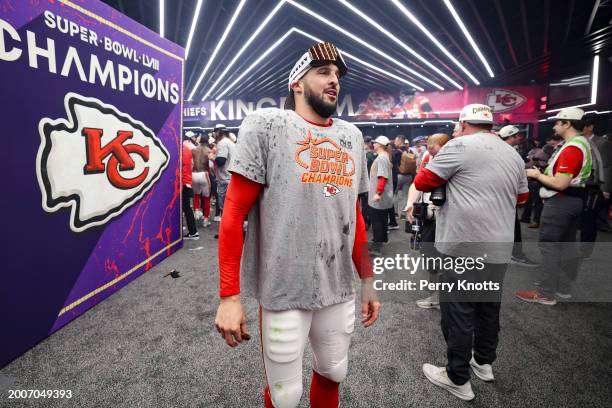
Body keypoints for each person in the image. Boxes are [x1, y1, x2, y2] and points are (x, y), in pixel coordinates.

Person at [214, 41, 380, 408]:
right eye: (323, 72)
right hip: (283, 287)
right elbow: (233, 215)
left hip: (337, 285)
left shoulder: (351, 137)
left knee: (334, 371)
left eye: (337, 74)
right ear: (296, 84)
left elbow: (356, 220)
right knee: (285, 395)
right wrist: (229, 296)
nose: (334, 80)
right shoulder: (268, 125)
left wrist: (367, 279)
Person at [414, 104, 529, 401]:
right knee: (489, 307)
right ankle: (483, 362)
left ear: (463, 123)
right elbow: (522, 198)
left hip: (464, 246)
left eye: (456, 126)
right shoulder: (512, 153)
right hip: (499, 246)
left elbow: (422, 181)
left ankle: (457, 377)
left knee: (459, 312)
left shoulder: (459, 146)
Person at [516, 107, 592, 304]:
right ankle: (562, 289)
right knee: (567, 247)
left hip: (561, 201)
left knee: (550, 247)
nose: (555, 126)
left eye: (558, 122)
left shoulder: (572, 147)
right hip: (574, 200)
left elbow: (560, 183)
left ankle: (545, 293)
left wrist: (537, 175)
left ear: (567, 124)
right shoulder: (581, 143)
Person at [403, 133, 450, 309]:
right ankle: (437, 295)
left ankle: (443, 297)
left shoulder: (454, 158)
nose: (430, 148)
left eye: (434, 145)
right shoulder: (428, 157)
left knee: (445, 259)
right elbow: (417, 183)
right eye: (428, 144)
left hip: (449, 218)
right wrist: (410, 204)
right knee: (429, 255)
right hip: (430, 216)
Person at [498, 125, 539, 267]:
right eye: (517, 136)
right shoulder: (508, 152)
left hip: (500, 193)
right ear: (512, 136)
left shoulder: (502, 150)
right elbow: (520, 171)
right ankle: (515, 254)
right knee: (511, 225)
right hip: (506, 194)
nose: (520, 138)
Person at [583, 117, 612, 232]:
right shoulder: (577, 141)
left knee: (593, 217)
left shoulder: (602, 143)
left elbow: (607, 166)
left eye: (583, 126)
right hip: (581, 183)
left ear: (590, 127)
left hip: (595, 185)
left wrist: (605, 189)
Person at [368, 136, 394, 256]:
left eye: (375, 143)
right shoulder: (384, 157)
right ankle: (383, 240)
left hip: (380, 196)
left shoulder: (382, 158)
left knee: (377, 220)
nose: (373, 144)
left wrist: (377, 193)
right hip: (383, 196)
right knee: (382, 219)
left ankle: (376, 247)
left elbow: (382, 177)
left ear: (379, 145)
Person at [521, 139, 550, 228]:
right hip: (530, 177)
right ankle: (526, 217)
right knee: (528, 200)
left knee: (537, 201)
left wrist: (535, 161)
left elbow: (545, 163)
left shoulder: (540, 151)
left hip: (538, 177)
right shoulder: (531, 151)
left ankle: (536, 221)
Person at [212, 123, 234, 221]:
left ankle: (226, 233)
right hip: (231, 178)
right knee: (230, 208)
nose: (214, 135)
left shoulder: (223, 143)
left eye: (215, 133)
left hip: (225, 179)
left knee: (224, 208)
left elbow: (221, 161)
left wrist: (212, 158)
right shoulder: (230, 142)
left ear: (219, 133)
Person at [192, 138, 212, 227]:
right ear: (207, 141)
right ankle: (206, 220)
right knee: (206, 197)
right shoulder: (209, 150)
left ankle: (196, 211)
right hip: (204, 174)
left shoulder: (194, 149)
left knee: (196, 194)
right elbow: (211, 166)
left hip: (194, 174)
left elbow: (191, 163)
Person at [182, 134, 199, 240]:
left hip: (183, 182)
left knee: (186, 208)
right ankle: (191, 231)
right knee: (186, 207)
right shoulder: (187, 149)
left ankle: (193, 232)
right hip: (187, 181)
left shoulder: (181, 149)